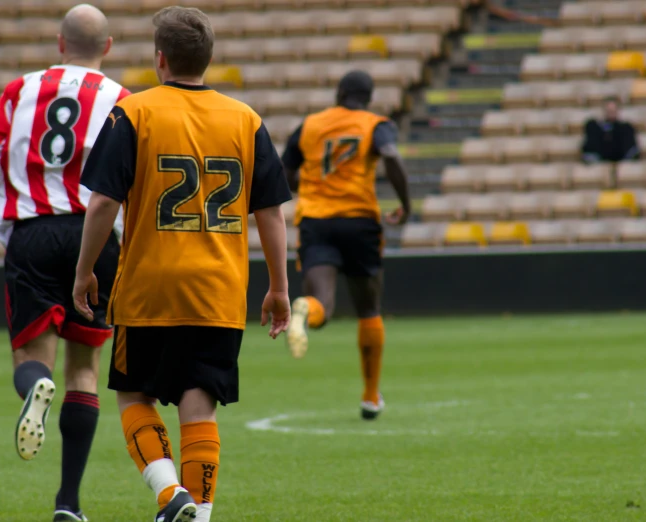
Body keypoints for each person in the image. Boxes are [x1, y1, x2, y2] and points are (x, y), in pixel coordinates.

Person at [73, 6, 292, 522]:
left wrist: (85, 272)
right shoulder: (247, 119)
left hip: (149, 285)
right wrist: (279, 287)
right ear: (209, 59)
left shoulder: (134, 112)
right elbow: (272, 214)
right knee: (200, 404)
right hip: (219, 287)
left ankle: (171, 495)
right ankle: (202, 514)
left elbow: (103, 203)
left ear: (160, 59)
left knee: (132, 394)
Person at [0, 5, 130, 521]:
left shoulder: (21, 89)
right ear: (107, 48)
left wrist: (14, 198)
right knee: (84, 370)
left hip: (33, 230)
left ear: (60, 44)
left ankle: (35, 387)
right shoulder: (121, 99)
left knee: (31, 359)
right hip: (94, 233)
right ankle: (69, 503)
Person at [281, 70, 411, 420]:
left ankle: (306, 307)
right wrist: (406, 204)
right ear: (368, 98)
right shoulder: (375, 124)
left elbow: (285, 174)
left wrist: (309, 185)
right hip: (359, 222)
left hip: (316, 222)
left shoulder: (309, 125)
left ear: (339, 93)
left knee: (323, 303)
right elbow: (392, 157)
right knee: (368, 308)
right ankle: (370, 396)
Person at [582, 96, 639, 164]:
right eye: (609, 110)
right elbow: (589, 151)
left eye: (613, 110)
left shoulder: (626, 129)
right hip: (599, 164)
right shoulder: (593, 127)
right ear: (604, 110)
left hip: (622, 164)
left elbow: (632, 151)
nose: (611, 112)